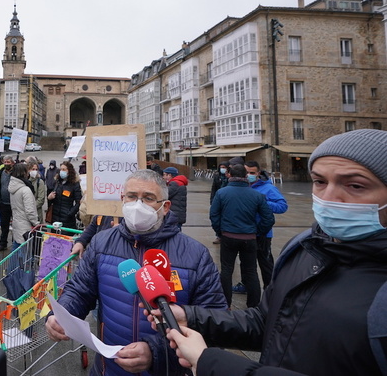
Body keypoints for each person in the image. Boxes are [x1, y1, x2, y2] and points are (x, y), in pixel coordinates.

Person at [151, 129, 387, 375]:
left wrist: (210, 363)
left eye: (356, 185)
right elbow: (270, 322)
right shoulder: (304, 248)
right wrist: (191, 317)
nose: (329, 197)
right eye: (319, 181)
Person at [46, 169, 227, 376]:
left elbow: (214, 324)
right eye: (132, 197)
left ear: (165, 207)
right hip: (109, 369)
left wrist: (155, 353)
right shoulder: (101, 242)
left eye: (148, 198)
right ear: (123, 199)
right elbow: (80, 289)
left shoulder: (196, 256)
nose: (137, 205)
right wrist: (61, 315)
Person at [209, 163, 274, 308]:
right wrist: (258, 232)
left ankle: (226, 303)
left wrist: (220, 231)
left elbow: (214, 215)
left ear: (229, 175)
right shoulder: (257, 195)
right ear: (246, 176)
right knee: (251, 271)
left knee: (226, 270)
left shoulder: (222, 193)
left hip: (228, 236)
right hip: (249, 238)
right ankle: (253, 305)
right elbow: (269, 218)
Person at [233, 160, 288, 294]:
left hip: (262, 233)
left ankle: (270, 289)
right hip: (245, 231)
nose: (249, 175)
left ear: (258, 173)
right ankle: (245, 284)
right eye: (246, 172)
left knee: (265, 263)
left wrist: (262, 202)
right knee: (245, 262)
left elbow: (282, 206)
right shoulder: (240, 186)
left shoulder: (268, 188)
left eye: (252, 173)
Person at [9, 163, 39, 251]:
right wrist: (36, 223)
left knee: (16, 248)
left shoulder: (12, 187)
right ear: (24, 173)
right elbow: (30, 211)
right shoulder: (25, 190)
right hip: (25, 226)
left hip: (17, 222)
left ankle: (12, 265)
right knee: (25, 252)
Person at [46, 161, 82, 230]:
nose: (61, 171)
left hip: (67, 220)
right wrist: (50, 198)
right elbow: (53, 199)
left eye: (64, 169)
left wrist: (70, 213)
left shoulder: (74, 184)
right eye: (61, 169)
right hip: (55, 218)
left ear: (69, 171)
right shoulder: (57, 182)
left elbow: (79, 202)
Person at [0, 155, 15, 252]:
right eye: (5, 162)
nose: (6, 164)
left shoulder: (15, 173)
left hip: (14, 204)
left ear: (12, 163)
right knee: (4, 225)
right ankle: (3, 243)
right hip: (3, 203)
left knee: (16, 225)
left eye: (8, 162)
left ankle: (15, 243)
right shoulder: (0, 172)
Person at [209, 161, 230, 244]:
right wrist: (212, 200)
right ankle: (219, 236)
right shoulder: (217, 176)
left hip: (227, 199)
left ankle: (225, 235)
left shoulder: (229, 176)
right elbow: (214, 188)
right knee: (217, 217)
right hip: (218, 198)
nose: (222, 169)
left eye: (224, 167)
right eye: (221, 167)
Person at [26, 156, 46, 222]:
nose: (34, 171)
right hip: (26, 213)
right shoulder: (26, 181)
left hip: (36, 213)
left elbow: (41, 199)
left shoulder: (39, 182)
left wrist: (31, 208)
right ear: (28, 170)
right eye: (32, 169)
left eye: (36, 169)